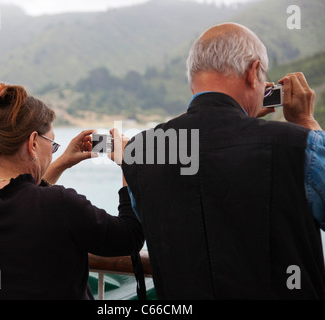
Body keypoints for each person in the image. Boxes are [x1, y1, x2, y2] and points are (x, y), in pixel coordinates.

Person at [122, 23, 325, 299]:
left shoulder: (142, 151)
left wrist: (241, 126)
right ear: (254, 73)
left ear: (193, 80)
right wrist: (306, 122)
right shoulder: (298, 144)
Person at [0, 82, 144, 300]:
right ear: (33, 143)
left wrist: (61, 163)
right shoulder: (60, 204)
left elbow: (20, 200)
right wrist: (128, 164)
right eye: (52, 144)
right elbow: (129, 238)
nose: (52, 153)